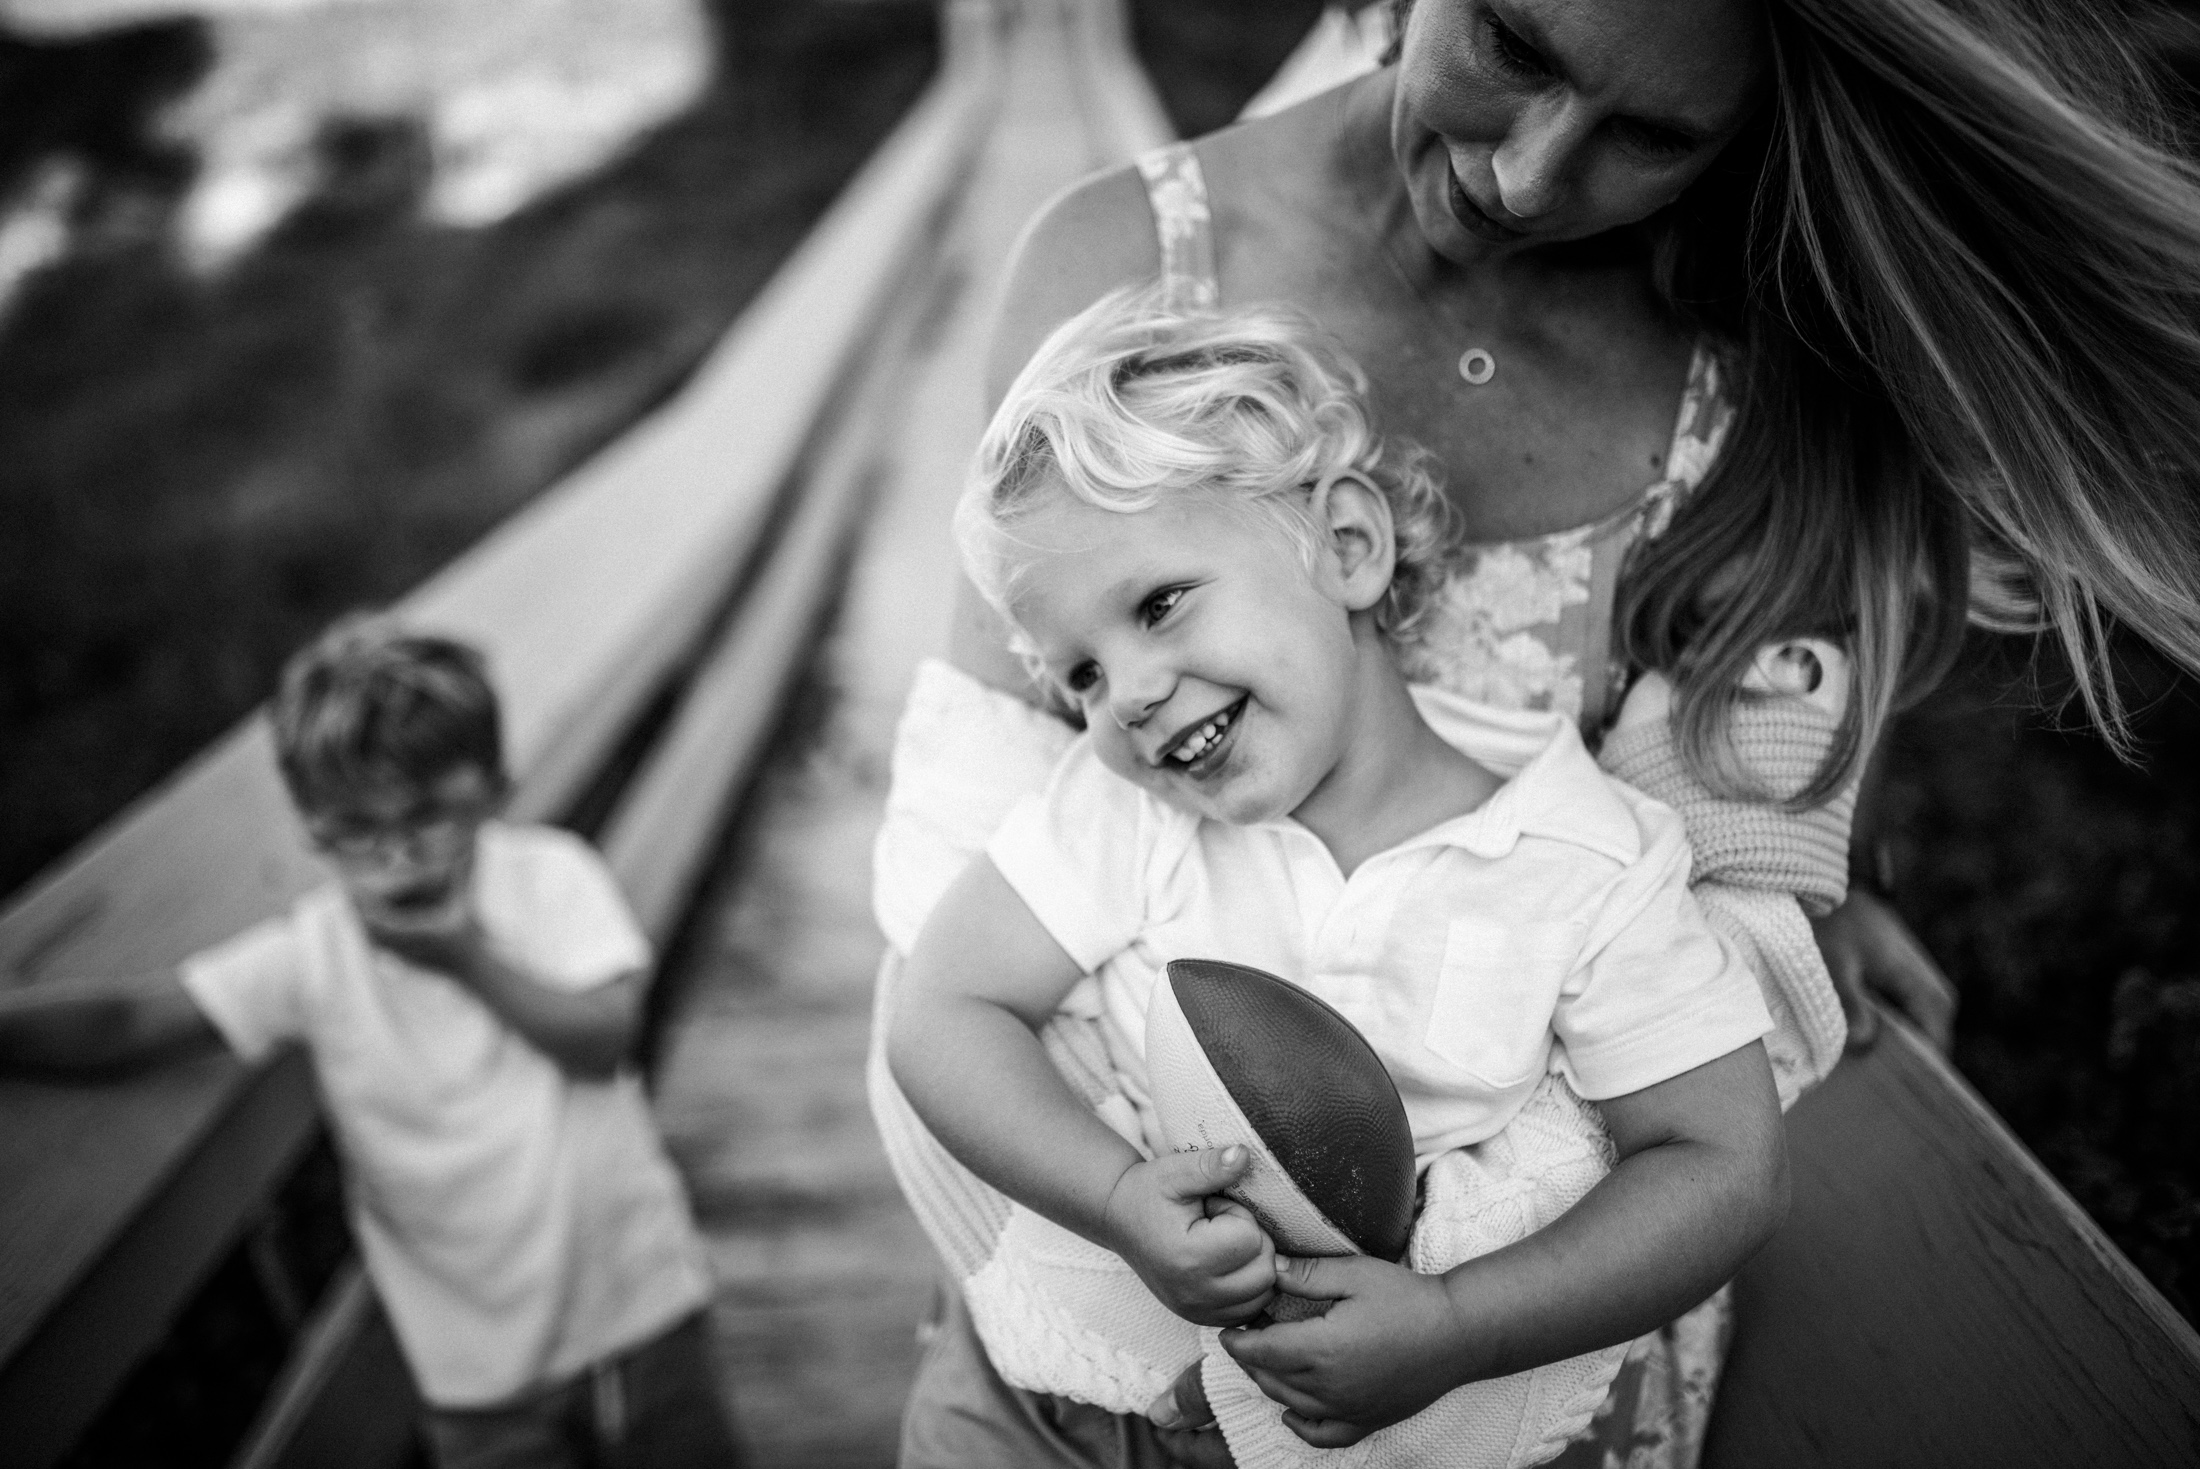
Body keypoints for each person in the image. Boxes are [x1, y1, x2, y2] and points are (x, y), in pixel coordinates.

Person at [870, 0, 2200, 1461]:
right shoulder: (1122, 279)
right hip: (1079, 1363)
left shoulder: (1749, 391)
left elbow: (1731, 916)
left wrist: (1440, 1300)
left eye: (1651, 135)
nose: (1529, 177)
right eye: (1511, 42)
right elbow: (955, 886)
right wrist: (1130, 1289)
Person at [886, 288, 1795, 1467]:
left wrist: (1463, 1324)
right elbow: (941, 1009)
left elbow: (1723, 1160)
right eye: (1081, 678)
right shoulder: (1125, 817)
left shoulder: (1582, 864)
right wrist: (1115, 1197)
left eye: (1160, 604)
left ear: (1348, 546)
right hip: (1106, 1423)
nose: (1131, 697)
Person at [0, 618, 740, 1469]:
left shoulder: (550, 879)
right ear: (312, 828)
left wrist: (464, 957)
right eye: (357, 827)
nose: (396, 851)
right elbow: (134, 1023)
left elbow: (604, 1038)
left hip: (633, 1311)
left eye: (429, 814)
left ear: (494, 788)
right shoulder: (312, 954)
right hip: (475, 1368)